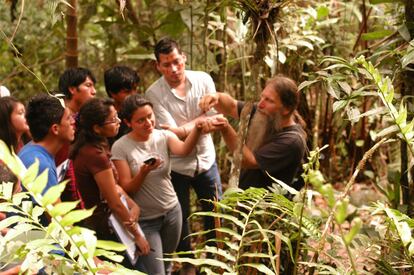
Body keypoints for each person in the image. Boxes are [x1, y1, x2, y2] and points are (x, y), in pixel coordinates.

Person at [145, 38, 222, 268]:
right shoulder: (154, 93)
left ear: (184, 57)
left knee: (215, 214)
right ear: (158, 66)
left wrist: (181, 128)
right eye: (166, 64)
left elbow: (214, 118)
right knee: (180, 221)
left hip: (207, 161)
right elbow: (173, 136)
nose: (174, 69)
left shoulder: (203, 79)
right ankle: (189, 265)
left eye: (177, 61)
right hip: (177, 165)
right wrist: (198, 123)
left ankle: (214, 263)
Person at [111, 95, 208, 274]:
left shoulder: (163, 136)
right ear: (128, 122)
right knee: (156, 271)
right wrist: (143, 172)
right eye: (141, 120)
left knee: (166, 264)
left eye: (150, 116)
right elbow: (127, 188)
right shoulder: (120, 147)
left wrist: (197, 128)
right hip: (146, 221)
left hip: (172, 212)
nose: (148, 122)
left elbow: (184, 150)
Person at [70, 98, 149, 256]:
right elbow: (114, 202)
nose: (119, 121)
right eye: (113, 120)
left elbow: (113, 186)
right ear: (97, 128)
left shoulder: (92, 147)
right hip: (107, 227)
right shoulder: (95, 155)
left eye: (117, 116)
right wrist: (138, 236)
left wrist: (134, 205)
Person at [199, 75, 307, 190]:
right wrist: (216, 97)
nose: (260, 104)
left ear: (286, 109)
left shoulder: (292, 140)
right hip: (243, 197)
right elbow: (231, 106)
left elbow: (248, 161)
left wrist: (225, 129)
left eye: (269, 100)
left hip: (265, 205)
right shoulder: (265, 114)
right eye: (262, 97)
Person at [18, 94, 75, 226]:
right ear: (55, 129)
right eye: (68, 118)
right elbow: (60, 224)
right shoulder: (39, 165)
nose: (73, 122)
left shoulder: (31, 150)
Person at [55, 67, 97, 207]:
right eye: (88, 85)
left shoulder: (84, 120)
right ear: (72, 89)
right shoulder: (56, 120)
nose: (94, 91)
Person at [104, 65, 140, 145]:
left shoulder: (140, 110)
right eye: (127, 92)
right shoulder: (106, 116)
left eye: (135, 89)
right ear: (112, 93)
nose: (133, 94)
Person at [0, 97, 30, 191]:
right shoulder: (2, 155)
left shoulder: (21, 144)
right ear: (6, 119)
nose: (26, 116)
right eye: (21, 113)